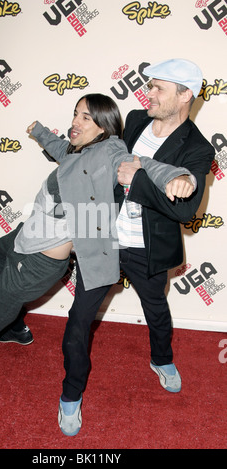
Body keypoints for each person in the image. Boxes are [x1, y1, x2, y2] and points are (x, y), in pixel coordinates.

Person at [0, 93, 193, 391]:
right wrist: (39, 131)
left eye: (86, 118)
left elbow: (138, 163)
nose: (75, 122)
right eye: (75, 114)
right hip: (25, 235)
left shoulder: (110, 150)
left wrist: (178, 177)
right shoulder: (78, 149)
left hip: (39, 261)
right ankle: (16, 328)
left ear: (103, 127)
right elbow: (59, 149)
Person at [55, 59, 215, 436]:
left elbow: (187, 208)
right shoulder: (135, 118)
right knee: (79, 319)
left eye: (159, 88)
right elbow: (106, 160)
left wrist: (139, 179)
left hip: (148, 248)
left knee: (156, 311)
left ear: (185, 94)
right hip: (104, 240)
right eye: (151, 85)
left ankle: (162, 359)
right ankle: (70, 394)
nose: (149, 93)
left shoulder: (198, 148)